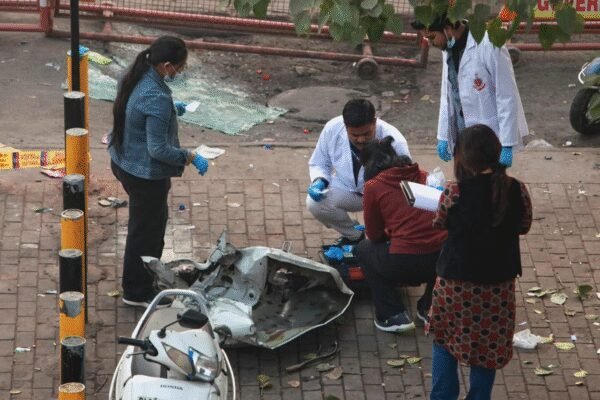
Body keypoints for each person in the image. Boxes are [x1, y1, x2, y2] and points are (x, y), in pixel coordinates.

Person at [428, 124, 532, 400]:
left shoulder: (454, 192)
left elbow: (439, 222)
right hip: (497, 288)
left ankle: (442, 396)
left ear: (463, 158)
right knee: (488, 350)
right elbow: (524, 225)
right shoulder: (516, 189)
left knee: (444, 340)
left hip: (454, 285)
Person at [108, 36, 209, 308]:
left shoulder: (132, 75)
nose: (180, 72)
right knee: (146, 233)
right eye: (179, 67)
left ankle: (142, 280)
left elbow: (136, 111)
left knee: (147, 226)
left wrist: (171, 112)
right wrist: (189, 156)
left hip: (122, 160)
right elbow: (158, 150)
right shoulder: (157, 98)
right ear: (166, 66)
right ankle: (137, 291)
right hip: (144, 176)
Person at [354, 137, 447, 333]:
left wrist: (391, 234)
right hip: (443, 259)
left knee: (363, 249)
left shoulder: (374, 186)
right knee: (437, 243)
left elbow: (374, 235)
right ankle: (430, 307)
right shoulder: (425, 176)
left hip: (404, 262)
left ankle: (392, 314)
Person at [411, 13, 529, 168]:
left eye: (432, 37)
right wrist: (443, 135)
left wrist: (507, 143)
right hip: (463, 134)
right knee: (466, 178)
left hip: (490, 135)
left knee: (488, 179)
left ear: (448, 29)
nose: (431, 43)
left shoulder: (490, 43)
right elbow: (448, 93)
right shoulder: (448, 47)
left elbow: (506, 96)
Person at [307, 98, 411, 245]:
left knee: (385, 236)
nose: (361, 140)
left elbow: (405, 181)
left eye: (366, 134)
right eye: (355, 135)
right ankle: (355, 236)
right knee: (315, 203)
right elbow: (320, 162)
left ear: (374, 122)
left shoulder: (395, 140)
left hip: (384, 197)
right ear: (345, 126)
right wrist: (319, 180)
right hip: (348, 189)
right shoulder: (332, 129)